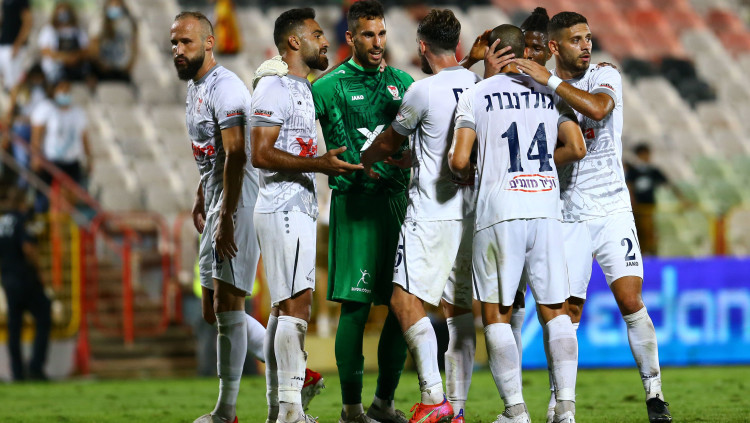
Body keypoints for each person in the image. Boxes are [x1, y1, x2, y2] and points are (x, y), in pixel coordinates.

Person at [514, 11, 673, 423]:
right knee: (567, 314)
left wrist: (550, 81)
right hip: (567, 213)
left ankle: (655, 395)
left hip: (613, 209)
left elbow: (600, 110)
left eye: (588, 37)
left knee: (630, 300)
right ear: (555, 46)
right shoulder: (539, 89)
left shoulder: (604, 74)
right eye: (576, 39)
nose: (586, 45)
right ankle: (560, 404)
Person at [360, 9, 513, 423]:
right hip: (472, 215)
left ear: (422, 46)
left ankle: (432, 396)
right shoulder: (479, 84)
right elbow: (448, 136)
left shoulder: (421, 90)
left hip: (431, 214)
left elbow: (389, 141)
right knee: (458, 312)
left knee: (403, 300)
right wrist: (415, 159)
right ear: (458, 45)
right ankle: (456, 409)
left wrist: (366, 158)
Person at [450, 24, 585, 423]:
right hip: (545, 206)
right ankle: (565, 409)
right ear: (523, 51)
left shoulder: (475, 94)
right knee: (556, 310)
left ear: (493, 51)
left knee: (496, 313)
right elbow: (576, 146)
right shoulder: (549, 91)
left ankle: (515, 411)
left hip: (499, 210)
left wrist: (475, 170)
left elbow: (459, 160)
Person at [250, 7, 363, 423]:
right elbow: (260, 153)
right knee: (296, 306)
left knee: (283, 308)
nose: (325, 41)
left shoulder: (303, 87)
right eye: (317, 35)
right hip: (282, 207)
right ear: (294, 42)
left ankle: (278, 410)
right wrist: (320, 164)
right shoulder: (273, 87)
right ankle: (291, 410)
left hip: (296, 206)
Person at [311, 1, 414, 422]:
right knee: (355, 307)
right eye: (368, 34)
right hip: (355, 205)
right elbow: (290, 134)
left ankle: (383, 403)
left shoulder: (404, 83)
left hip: (400, 206)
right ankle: (351, 409)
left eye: (382, 34)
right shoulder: (327, 87)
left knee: (403, 305)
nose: (377, 42)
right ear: (351, 37)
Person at [169, 11, 266, 423]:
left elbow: (237, 154)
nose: (178, 50)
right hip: (216, 198)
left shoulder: (226, 87)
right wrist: (201, 193)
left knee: (228, 305)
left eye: (186, 42)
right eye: (174, 43)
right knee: (213, 310)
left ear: (209, 43)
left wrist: (225, 214)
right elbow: (211, 152)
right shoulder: (196, 87)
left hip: (237, 199)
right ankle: (295, 368)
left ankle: (226, 411)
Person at [0, 184, 51, 382]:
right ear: (23, 203)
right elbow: (28, 247)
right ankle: (36, 367)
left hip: (7, 279)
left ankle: (17, 372)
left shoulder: (2, 223)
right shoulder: (23, 220)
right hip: (25, 278)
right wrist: (40, 271)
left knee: (14, 326)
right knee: (44, 314)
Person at [30, 79, 92, 197]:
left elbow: (84, 137)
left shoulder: (78, 113)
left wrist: (89, 158)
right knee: (45, 195)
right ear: (55, 91)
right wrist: (36, 156)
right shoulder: (47, 109)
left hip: (72, 161)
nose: (65, 92)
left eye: (67, 89)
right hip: (50, 160)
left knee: (71, 195)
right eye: (62, 89)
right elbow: (37, 135)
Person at [4, 64, 49, 188]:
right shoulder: (19, 89)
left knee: (36, 160)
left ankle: (27, 187)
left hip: (36, 129)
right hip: (20, 128)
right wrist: (8, 129)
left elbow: (41, 114)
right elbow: (11, 111)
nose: (37, 80)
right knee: (22, 161)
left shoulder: (41, 92)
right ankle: (22, 187)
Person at [626, 143, 673, 256]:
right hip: (637, 208)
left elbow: (668, 184)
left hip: (649, 207)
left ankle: (651, 254)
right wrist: (632, 202)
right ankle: (642, 254)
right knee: (639, 232)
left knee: (649, 232)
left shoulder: (653, 171)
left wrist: (682, 199)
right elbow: (629, 186)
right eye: (644, 154)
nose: (646, 157)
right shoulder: (633, 171)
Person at [38, 2, 90, 83]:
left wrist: (75, 57)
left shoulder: (78, 30)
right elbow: (45, 51)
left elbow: (86, 49)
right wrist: (64, 58)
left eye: (65, 12)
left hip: (76, 66)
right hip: (56, 68)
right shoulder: (49, 30)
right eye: (60, 13)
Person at [90, 0, 138, 83]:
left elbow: (133, 45)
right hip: (103, 68)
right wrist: (100, 64)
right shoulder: (99, 21)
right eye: (112, 4)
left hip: (122, 68)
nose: (115, 7)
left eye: (117, 4)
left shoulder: (128, 22)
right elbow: (94, 44)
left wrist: (129, 65)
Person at [0, 0, 32, 92]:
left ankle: (13, 101)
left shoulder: (21, 1)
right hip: (3, 44)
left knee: (13, 81)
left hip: (15, 46)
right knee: (5, 81)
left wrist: (18, 44)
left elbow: (28, 22)